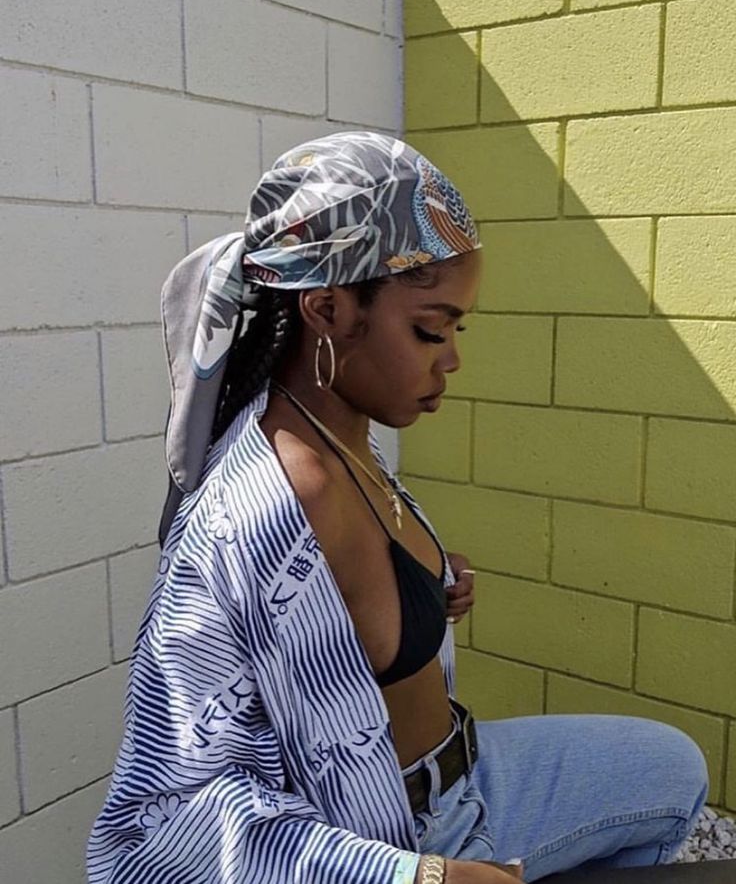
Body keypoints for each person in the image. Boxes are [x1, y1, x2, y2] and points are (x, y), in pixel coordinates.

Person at [87, 132, 708, 884]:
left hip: (462, 774)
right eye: (429, 329)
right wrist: (420, 877)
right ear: (326, 309)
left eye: (457, 329)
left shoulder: (335, 430)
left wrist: (429, 586)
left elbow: (350, 618)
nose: (451, 359)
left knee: (673, 769)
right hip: (398, 835)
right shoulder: (272, 507)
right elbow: (165, 813)